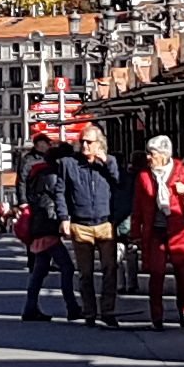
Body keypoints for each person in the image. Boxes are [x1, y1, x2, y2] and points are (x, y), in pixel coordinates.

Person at [132, 134, 184, 328]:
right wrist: (135, 232)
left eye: (152, 153)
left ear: (164, 154)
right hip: (155, 232)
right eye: (147, 153)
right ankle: (156, 316)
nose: (148, 157)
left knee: (182, 274)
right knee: (156, 274)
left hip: (179, 229)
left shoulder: (182, 172)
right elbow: (137, 206)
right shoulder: (144, 176)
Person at [60, 125, 125, 329]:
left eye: (89, 142)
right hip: (81, 224)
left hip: (105, 223)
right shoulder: (69, 164)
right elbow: (60, 191)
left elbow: (120, 183)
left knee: (110, 268)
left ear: (100, 144)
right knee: (85, 273)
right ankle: (89, 312)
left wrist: (105, 162)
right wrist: (64, 217)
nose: (85, 145)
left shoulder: (109, 162)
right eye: (82, 141)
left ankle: (108, 311)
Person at [18, 135, 81, 322]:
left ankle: (30, 307)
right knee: (67, 267)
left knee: (39, 269)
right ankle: (72, 307)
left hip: (41, 224)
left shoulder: (41, 173)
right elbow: (60, 198)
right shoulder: (53, 177)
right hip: (48, 225)